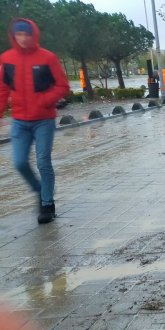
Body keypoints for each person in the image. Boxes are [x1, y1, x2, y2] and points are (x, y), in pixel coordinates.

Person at [0, 18, 70, 224]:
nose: (22, 38)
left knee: (43, 162)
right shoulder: (6, 58)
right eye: (18, 35)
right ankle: (40, 190)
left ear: (33, 35)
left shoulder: (47, 58)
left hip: (43, 121)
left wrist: (44, 101)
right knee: (20, 162)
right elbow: (3, 88)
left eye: (26, 34)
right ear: (14, 36)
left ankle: (47, 204)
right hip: (20, 121)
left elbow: (62, 86)